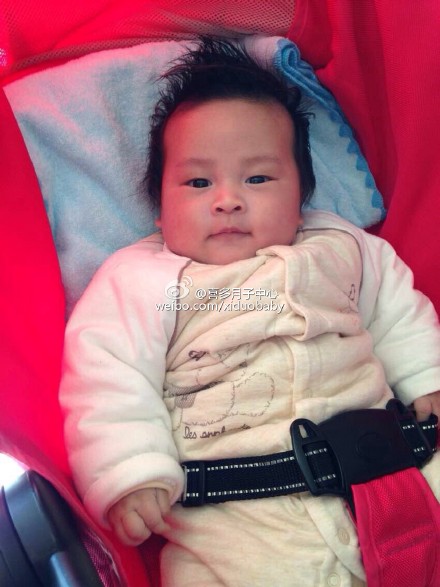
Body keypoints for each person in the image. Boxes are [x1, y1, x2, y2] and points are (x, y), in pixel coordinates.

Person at [60, 38, 440, 586]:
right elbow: (108, 376)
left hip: (394, 473)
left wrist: (426, 376)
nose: (228, 200)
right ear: (160, 207)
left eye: (258, 178)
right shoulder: (141, 280)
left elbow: (396, 310)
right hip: (235, 523)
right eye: (198, 182)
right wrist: (128, 470)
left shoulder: (340, 245)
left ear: (301, 197)